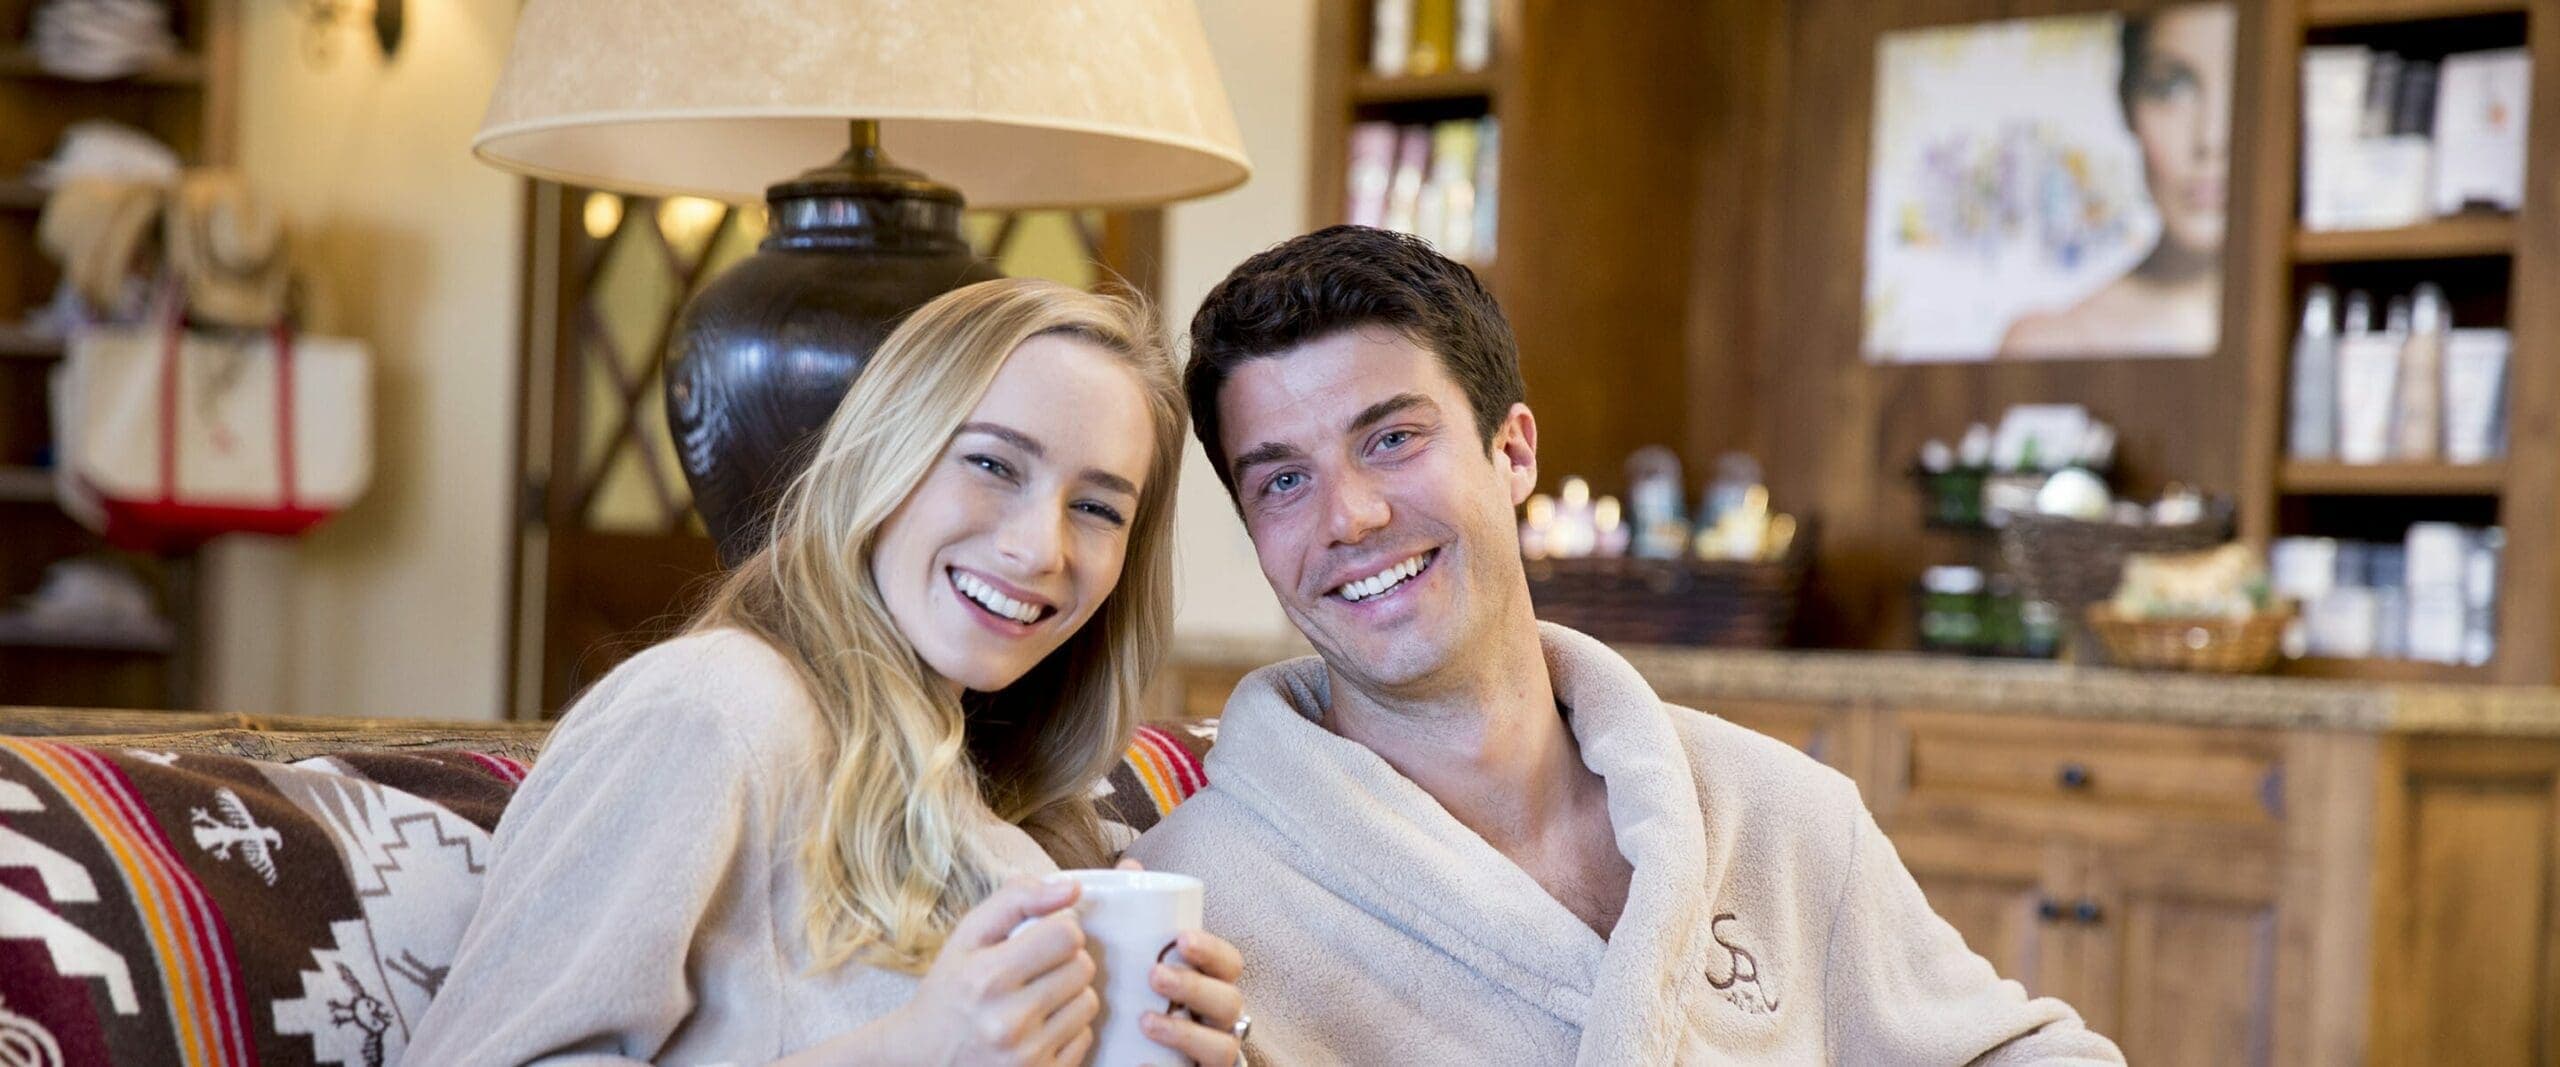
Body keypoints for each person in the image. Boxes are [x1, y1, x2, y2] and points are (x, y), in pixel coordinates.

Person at [1130, 225, 2124, 1063]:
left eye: (1391, 438)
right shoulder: (1191, 912)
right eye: (1282, 481)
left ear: (1512, 450)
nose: (1349, 514)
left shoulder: (1776, 813)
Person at [411, 278, 1248, 1066]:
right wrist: (911, 1048)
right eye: (992, 463)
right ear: (885, 453)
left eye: (1098, 508)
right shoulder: (711, 711)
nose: (1040, 547)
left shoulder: (1003, 819)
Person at [2001, 4, 2235, 357]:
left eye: (2247, 85)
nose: (2211, 138)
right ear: (2127, 104)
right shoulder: (2052, 345)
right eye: (2171, 88)